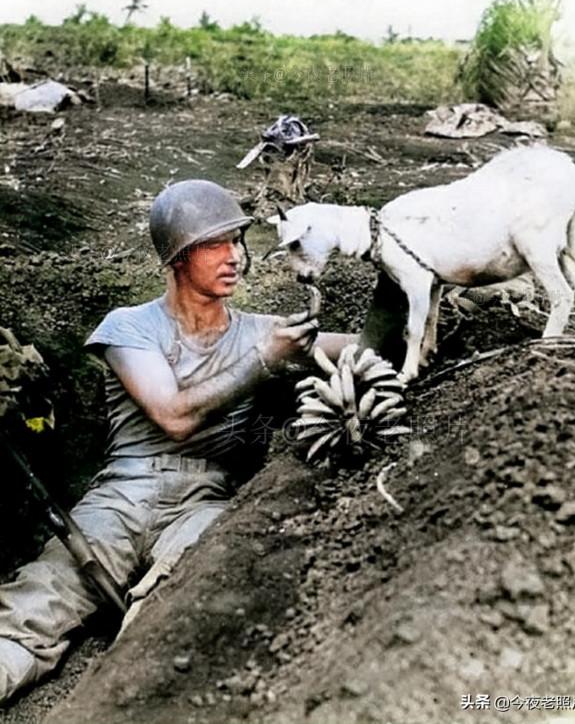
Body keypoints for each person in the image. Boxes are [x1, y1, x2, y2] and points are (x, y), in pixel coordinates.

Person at [0, 180, 355, 703]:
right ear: (177, 257)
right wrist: (263, 360)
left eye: (237, 241)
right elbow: (173, 415)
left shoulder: (264, 330)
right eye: (216, 244)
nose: (234, 256)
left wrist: (407, 293)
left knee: (190, 607)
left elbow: (370, 350)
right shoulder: (130, 327)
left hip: (208, 502)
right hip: (122, 497)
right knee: (33, 609)